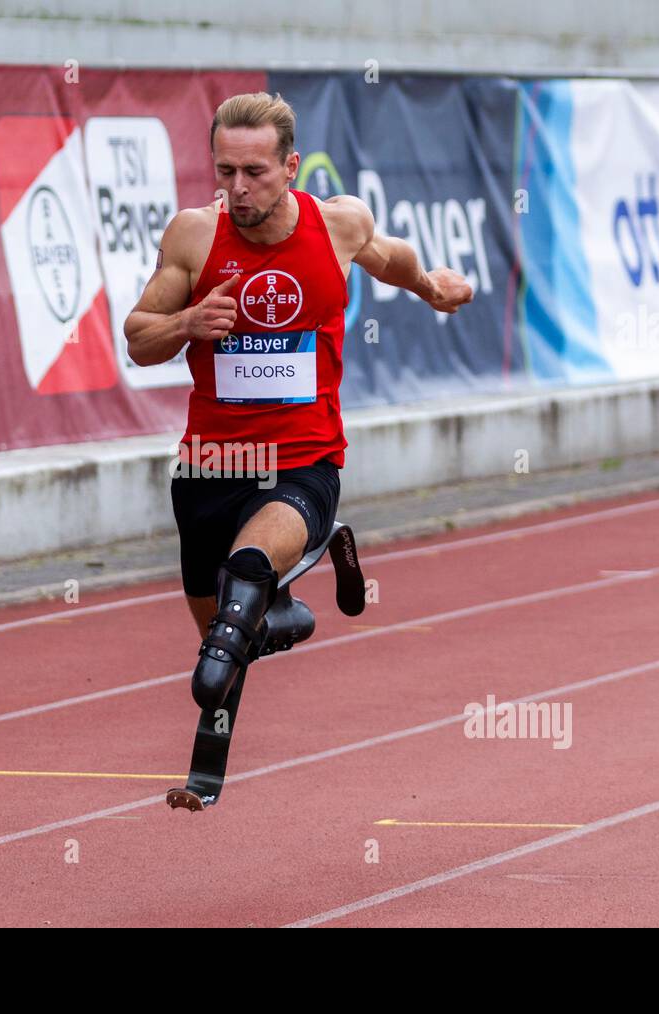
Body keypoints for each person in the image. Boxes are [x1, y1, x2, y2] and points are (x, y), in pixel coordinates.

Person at [124, 91, 472, 712]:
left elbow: (392, 259)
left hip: (303, 460)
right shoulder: (193, 235)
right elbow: (138, 339)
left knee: (242, 591)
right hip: (212, 463)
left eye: (255, 172)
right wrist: (189, 323)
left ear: (290, 167)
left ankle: (260, 607)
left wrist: (429, 287)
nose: (239, 188)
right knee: (224, 639)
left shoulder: (338, 225)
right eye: (225, 171)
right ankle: (279, 617)